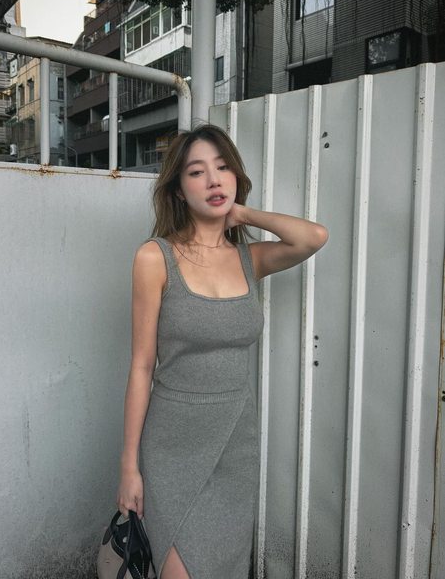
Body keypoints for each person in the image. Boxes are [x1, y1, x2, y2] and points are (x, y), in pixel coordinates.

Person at [116, 124, 328, 579]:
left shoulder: (250, 259)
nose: (213, 180)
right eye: (197, 172)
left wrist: (243, 214)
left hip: (234, 440)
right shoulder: (155, 257)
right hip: (173, 443)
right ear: (178, 189)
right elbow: (141, 366)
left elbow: (313, 236)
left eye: (223, 167)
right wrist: (129, 468)